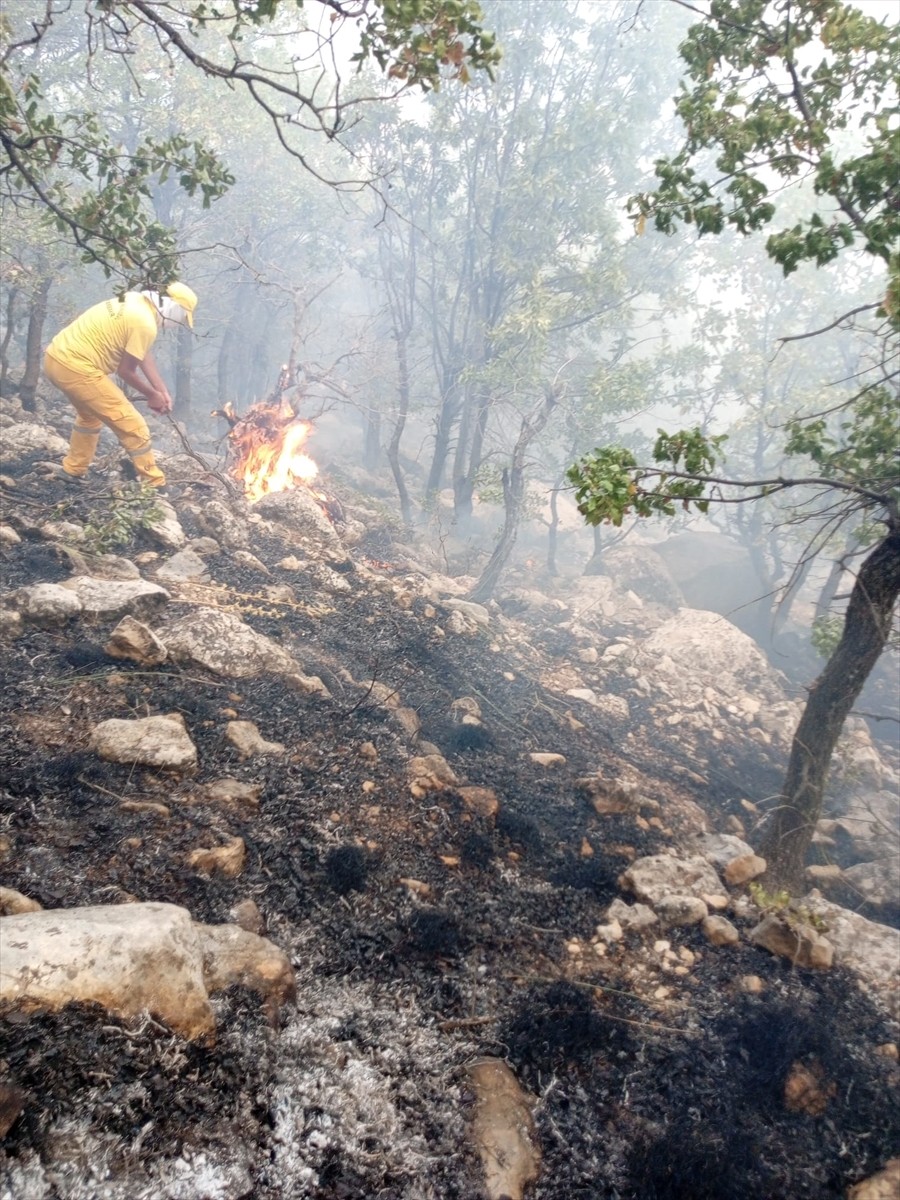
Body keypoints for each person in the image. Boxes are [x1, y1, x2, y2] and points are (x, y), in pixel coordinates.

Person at [41, 282, 198, 489]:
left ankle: (73, 469)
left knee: (89, 416)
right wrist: (152, 395)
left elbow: (141, 352)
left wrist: (161, 390)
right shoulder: (145, 323)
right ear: (174, 309)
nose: (179, 323)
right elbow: (125, 371)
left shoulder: (134, 301)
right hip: (77, 368)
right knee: (134, 426)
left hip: (56, 359)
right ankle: (155, 484)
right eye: (182, 318)